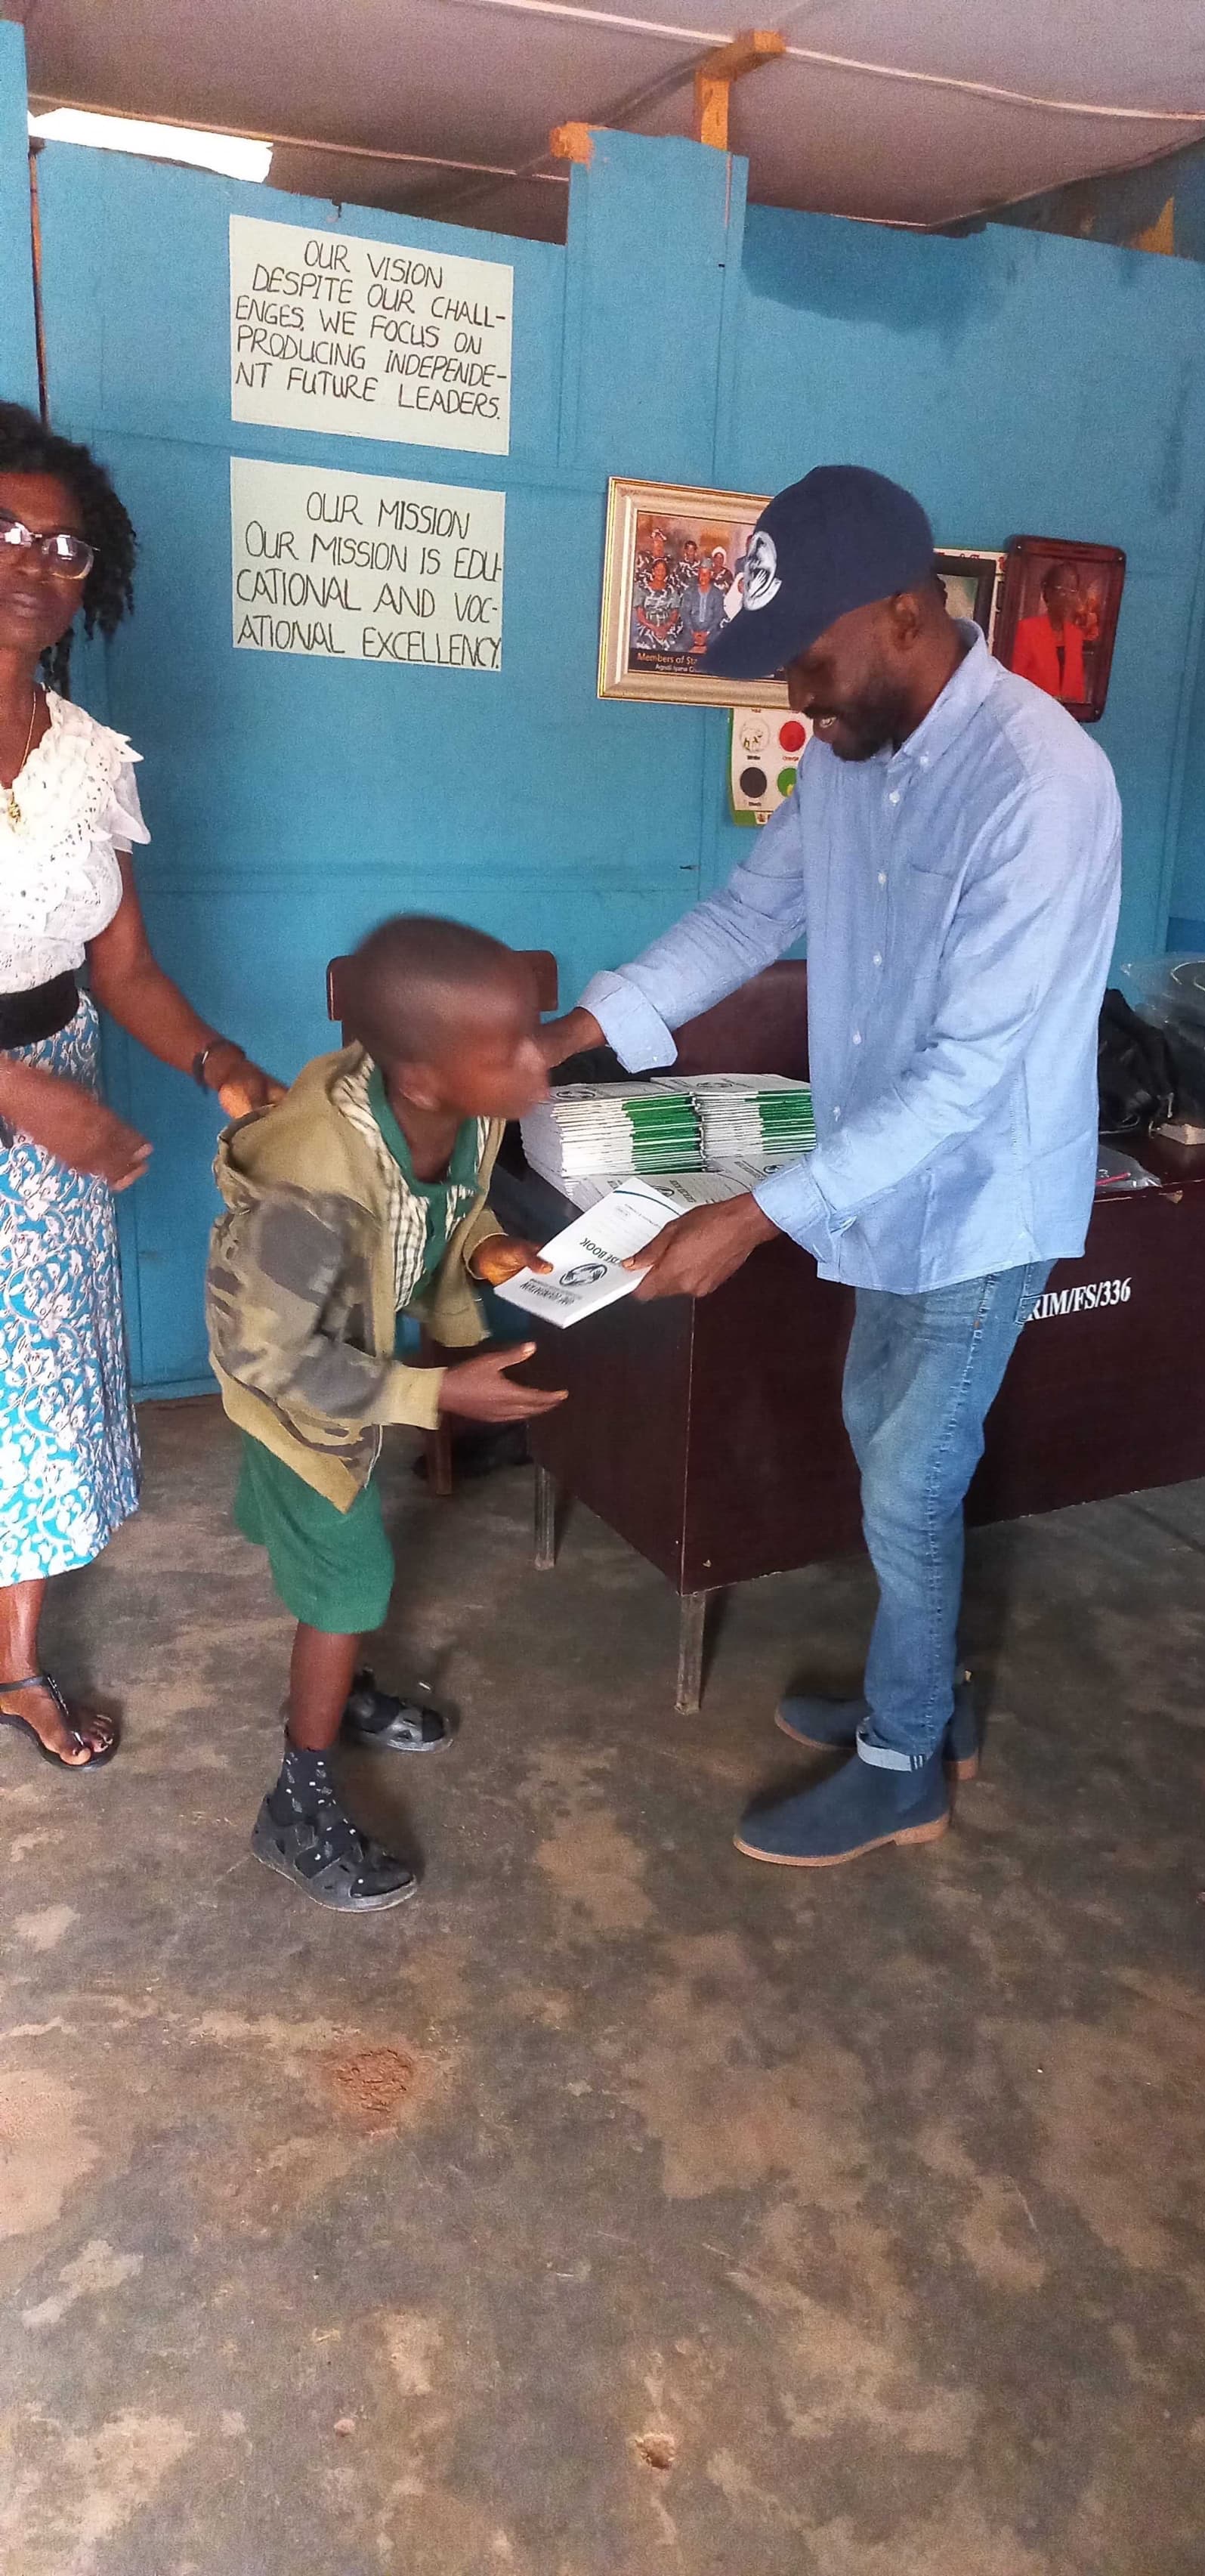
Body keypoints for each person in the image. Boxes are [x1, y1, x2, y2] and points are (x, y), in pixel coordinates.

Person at [545, 465, 1120, 1869]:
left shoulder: (1041, 785)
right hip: (877, 1180)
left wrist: (747, 1218)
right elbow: (749, 916)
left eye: (810, 655)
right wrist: (569, 1035)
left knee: (911, 1478)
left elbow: (971, 1074)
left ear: (910, 615)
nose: (798, 692)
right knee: (882, 1440)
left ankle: (904, 1757)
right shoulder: (845, 760)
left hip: (982, 1191)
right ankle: (920, 1690)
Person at [0, 400, 280, 1773]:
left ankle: (15, 1666)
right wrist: (18, 1093)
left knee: (37, 1389)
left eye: (61, 544)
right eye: (3, 527)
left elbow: (127, 966)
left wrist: (222, 1064)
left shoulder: (88, 761)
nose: (31, 561)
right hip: (27, 1093)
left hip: (58, 1070)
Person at [205, 914, 566, 1913]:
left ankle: (337, 1682)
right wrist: (440, 1390)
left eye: (533, 1031)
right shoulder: (315, 1174)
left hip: (352, 1362)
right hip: (293, 1397)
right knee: (349, 1581)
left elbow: (450, 1206)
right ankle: (298, 1802)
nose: (540, 1059)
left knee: (338, 1584)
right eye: (512, 1050)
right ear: (421, 1076)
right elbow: (269, 1356)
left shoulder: (468, 1108)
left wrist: (487, 1250)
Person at [1009, 558, 1088, 702]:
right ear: (1048, 593)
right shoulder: (1026, 629)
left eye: (1072, 590)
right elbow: (1015, 683)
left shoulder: (1076, 635)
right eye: (1062, 590)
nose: (1068, 597)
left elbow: (1078, 688)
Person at [680, 555, 728, 656]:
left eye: (706, 574)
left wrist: (707, 633)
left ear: (711, 575)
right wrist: (693, 632)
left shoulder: (717, 593)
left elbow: (718, 615)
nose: (703, 577)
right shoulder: (689, 592)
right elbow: (684, 613)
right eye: (701, 574)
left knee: (721, 651)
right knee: (677, 649)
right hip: (691, 631)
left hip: (711, 632)